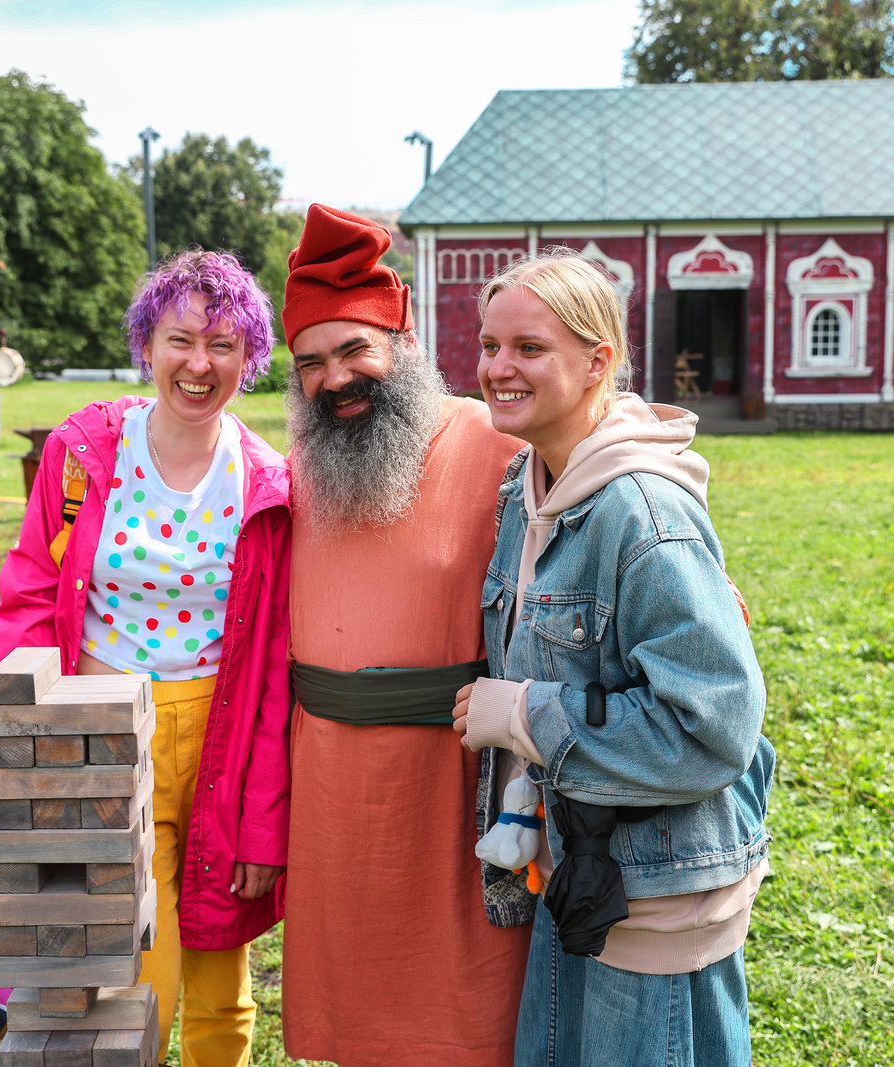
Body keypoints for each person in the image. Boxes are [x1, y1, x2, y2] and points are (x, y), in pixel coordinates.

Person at [453, 250, 775, 1067]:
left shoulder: (641, 512)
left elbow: (711, 726)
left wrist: (523, 715)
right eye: (490, 346)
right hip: (581, 868)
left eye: (529, 347)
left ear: (598, 361)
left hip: (660, 893)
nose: (498, 368)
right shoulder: (528, 486)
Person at [0, 250, 291, 1067]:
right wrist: (29, 723)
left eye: (224, 345)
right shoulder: (84, 452)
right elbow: (29, 590)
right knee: (131, 967)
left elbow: (270, 669)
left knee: (221, 963)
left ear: (250, 358)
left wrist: (263, 816)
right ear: (146, 344)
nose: (199, 364)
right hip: (104, 728)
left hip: (219, 735)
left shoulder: (267, 483)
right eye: (181, 339)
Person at [277, 204, 531, 1066]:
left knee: (467, 1011)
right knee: (361, 1022)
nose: (336, 378)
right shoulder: (294, 471)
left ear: (405, 340)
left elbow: (607, 515)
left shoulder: (497, 444)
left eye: (355, 350)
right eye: (311, 362)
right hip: (332, 794)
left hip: (455, 785)